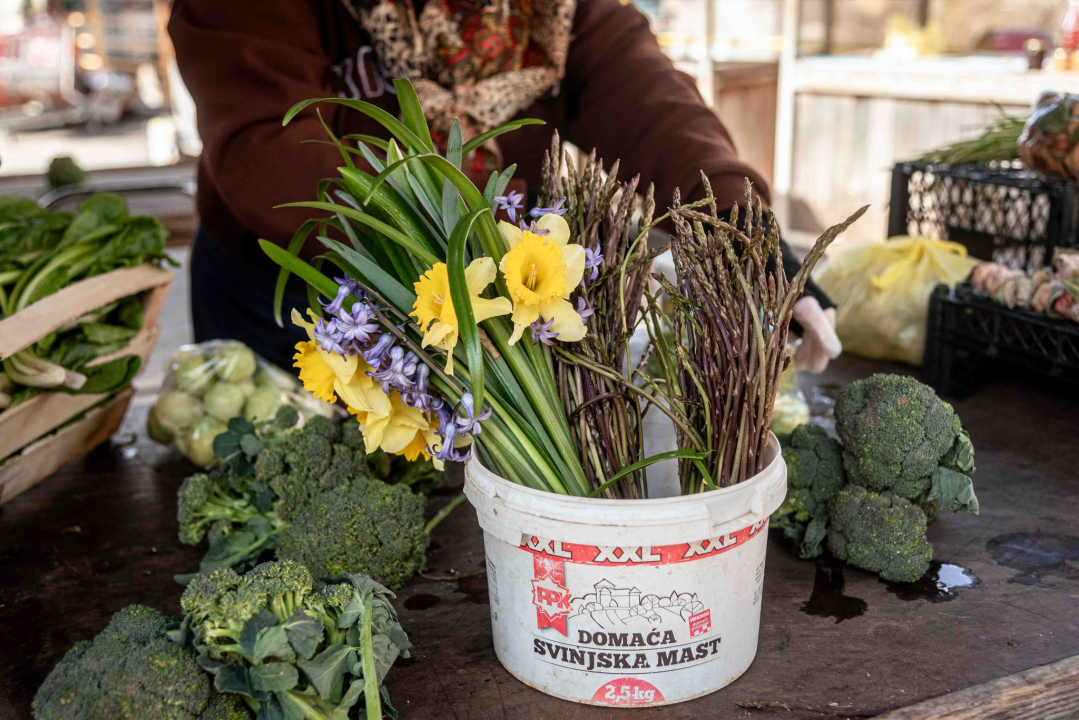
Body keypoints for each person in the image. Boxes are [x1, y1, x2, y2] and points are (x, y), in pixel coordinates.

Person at [168, 0, 841, 373]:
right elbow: (268, 147)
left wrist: (736, 230)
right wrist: (442, 269)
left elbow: (646, 97)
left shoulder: (553, 8)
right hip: (297, 291)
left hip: (483, 294)